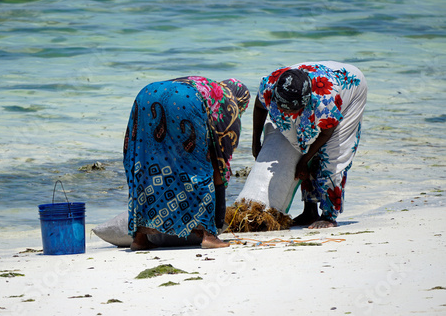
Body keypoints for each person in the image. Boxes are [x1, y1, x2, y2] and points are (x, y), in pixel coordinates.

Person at [123, 76, 250, 250]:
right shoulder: (230, 106)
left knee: (146, 162)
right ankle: (209, 236)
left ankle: (139, 238)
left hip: (145, 94)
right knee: (199, 166)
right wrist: (216, 221)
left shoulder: (208, 86)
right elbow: (219, 165)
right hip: (185, 99)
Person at [252, 61, 367, 229]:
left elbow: (327, 133)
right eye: (283, 108)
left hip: (351, 89)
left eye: (292, 110)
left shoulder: (324, 100)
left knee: (331, 157)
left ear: (306, 102)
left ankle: (329, 215)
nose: (287, 114)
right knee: (302, 143)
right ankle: (310, 211)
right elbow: (259, 106)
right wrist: (256, 142)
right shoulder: (270, 85)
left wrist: (305, 160)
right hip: (310, 77)